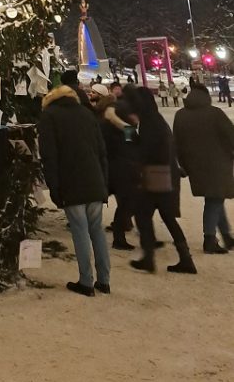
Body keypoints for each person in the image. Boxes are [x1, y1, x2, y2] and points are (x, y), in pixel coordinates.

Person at [39, 84, 111, 296]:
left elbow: (49, 156)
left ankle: (86, 281)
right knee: (96, 230)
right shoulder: (87, 114)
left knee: (80, 230)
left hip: (71, 181)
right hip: (95, 180)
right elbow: (101, 151)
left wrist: (54, 187)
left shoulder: (49, 116)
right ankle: (104, 280)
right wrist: (103, 181)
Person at [123, 85, 197, 275]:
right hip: (165, 176)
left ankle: (150, 258)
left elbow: (141, 149)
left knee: (143, 216)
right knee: (166, 217)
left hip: (155, 177)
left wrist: (129, 132)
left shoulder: (150, 123)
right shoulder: (155, 120)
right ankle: (184, 258)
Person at [172, 82, 234, 253]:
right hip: (218, 164)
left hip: (194, 166)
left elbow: (176, 143)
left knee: (215, 198)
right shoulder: (215, 114)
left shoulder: (180, 115)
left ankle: (227, 236)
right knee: (214, 200)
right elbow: (231, 135)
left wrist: (184, 164)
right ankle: (209, 239)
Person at [89, 87, 140, 250]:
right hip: (121, 164)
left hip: (110, 163)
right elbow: (131, 138)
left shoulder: (99, 118)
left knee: (119, 198)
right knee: (128, 200)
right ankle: (119, 236)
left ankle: (120, 229)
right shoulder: (112, 121)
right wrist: (127, 125)